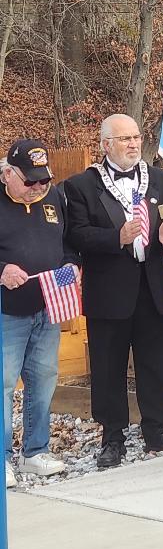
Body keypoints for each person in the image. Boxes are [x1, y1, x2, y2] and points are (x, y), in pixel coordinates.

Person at [63, 115, 163, 468]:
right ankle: (112, 437)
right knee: (107, 368)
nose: (133, 144)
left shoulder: (160, 179)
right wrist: (116, 237)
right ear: (106, 145)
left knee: (154, 364)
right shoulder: (82, 186)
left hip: (152, 288)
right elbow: (75, 235)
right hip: (108, 292)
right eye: (124, 139)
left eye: (136, 137)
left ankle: (157, 430)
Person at [0, 140, 76, 487]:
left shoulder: (54, 198)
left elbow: (69, 241)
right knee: (3, 384)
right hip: (7, 311)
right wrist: (1, 270)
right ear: (8, 174)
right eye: (29, 182)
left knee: (43, 377)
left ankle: (35, 451)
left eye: (43, 181)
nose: (37, 188)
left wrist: (72, 265)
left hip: (48, 305)